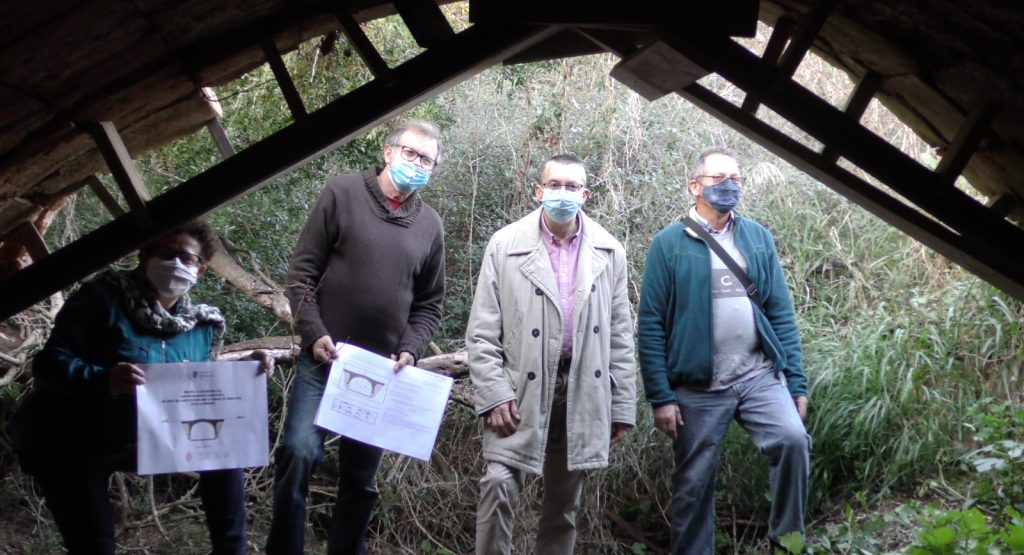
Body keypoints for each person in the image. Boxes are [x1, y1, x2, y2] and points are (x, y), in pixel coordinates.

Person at [9, 219, 274, 555]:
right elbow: (48, 365)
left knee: (224, 453)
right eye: (166, 253)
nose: (176, 263)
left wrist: (245, 367)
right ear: (145, 256)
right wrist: (104, 378)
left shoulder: (201, 325)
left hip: (145, 437)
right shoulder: (101, 298)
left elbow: (195, 384)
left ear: (201, 270)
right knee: (94, 545)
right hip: (72, 439)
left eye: (187, 258)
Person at [267, 120, 446, 554]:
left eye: (427, 160)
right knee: (298, 452)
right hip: (323, 357)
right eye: (411, 154)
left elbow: (430, 304)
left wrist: (411, 348)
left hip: (381, 371)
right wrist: (313, 333)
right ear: (388, 152)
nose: (417, 164)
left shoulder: (430, 225)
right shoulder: (341, 193)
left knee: (360, 478)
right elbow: (302, 274)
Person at [637, 147, 811, 553]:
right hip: (697, 387)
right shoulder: (669, 243)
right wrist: (661, 397)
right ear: (695, 186)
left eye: (736, 178)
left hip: (757, 375)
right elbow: (650, 324)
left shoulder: (757, 237)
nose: (729, 185)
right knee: (694, 485)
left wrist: (796, 384)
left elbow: (780, 313)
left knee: (792, 441)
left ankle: (787, 543)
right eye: (719, 179)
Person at [467, 154, 637, 555]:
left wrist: (621, 406)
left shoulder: (610, 251)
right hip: (518, 388)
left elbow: (620, 337)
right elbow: (482, 331)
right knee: (498, 484)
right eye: (555, 185)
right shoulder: (505, 244)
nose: (563, 194)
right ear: (539, 190)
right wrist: (493, 393)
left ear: (586, 194)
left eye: (572, 187)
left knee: (564, 506)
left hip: (582, 389)